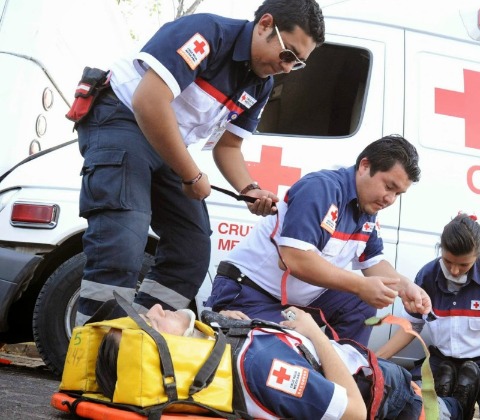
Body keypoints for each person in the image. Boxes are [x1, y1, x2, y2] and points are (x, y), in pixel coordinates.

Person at [74, 0, 326, 326]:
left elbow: (229, 146)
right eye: (288, 54)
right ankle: (92, 350)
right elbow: (148, 101)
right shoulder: (207, 35)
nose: (288, 68)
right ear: (265, 24)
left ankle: (143, 333)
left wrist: (249, 188)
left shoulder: (260, 85)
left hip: (167, 142)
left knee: (191, 250)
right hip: (124, 119)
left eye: (297, 63)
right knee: (122, 241)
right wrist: (192, 176)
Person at [205, 134, 432, 346]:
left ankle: (346, 369)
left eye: (398, 194)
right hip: (249, 291)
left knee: (361, 303)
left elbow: (374, 263)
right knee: (286, 356)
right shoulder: (321, 188)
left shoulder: (367, 208)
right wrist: (361, 285)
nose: (390, 199)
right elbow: (294, 259)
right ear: (365, 166)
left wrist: (406, 288)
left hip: (295, 302)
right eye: (389, 187)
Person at [95, 304, 480, 420]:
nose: (156, 308)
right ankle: (458, 406)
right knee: (440, 409)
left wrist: (236, 327)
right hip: (383, 392)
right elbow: (354, 411)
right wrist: (314, 331)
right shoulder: (264, 368)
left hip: (363, 370)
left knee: (435, 389)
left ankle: (448, 394)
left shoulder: (211, 360)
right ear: (166, 353)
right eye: (151, 321)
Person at [376, 213, 480, 419]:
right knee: (411, 402)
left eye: (464, 265)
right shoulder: (427, 276)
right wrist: (375, 360)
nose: (455, 271)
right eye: (448, 262)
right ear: (441, 249)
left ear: (478, 255)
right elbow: (411, 327)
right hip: (441, 360)